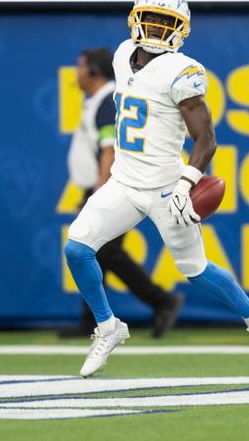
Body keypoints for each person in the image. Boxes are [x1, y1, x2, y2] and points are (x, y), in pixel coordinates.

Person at [63, 0, 249, 377]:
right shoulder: (122, 55)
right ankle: (109, 327)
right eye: (153, 19)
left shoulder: (183, 71)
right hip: (124, 183)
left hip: (166, 188)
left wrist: (185, 184)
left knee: (194, 270)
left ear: (181, 30)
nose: (158, 29)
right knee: (77, 249)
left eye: (168, 23)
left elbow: (206, 139)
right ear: (136, 20)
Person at [60, 47, 183, 339]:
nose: (75, 74)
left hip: (113, 186)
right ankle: (101, 317)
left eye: (80, 67)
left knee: (99, 250)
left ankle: (158, 301)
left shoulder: (106, 102)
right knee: (101, 252)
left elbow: (108, 147)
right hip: (108, 185)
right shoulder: (102, 100)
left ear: (93, 71)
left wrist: (101, 186)